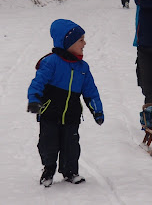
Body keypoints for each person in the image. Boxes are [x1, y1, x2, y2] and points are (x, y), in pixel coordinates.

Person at [27, 19, 104, 187]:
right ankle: (48, 170)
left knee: (71, 145)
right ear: (67, 42)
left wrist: (97, 111)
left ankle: (70, 171)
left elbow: (91, 92)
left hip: (71, 115)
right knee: (48, 144)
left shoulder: (82, 67)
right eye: (81, 40)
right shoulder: (51, 62)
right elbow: (37, 83)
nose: (85, 43)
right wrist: (34, 100)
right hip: (50, 114)